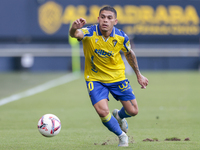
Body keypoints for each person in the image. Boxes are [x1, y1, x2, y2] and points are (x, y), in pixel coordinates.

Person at [69, 5, 148, 147]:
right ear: (98, 19)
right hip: (95, 79)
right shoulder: (90, 32)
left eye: (109, 18)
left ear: (115, 21)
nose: (105, 20)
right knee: (102, 110)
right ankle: (122, 136)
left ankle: (119, 116)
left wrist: (139, 75)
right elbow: (75, 34)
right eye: (103, 17)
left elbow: (129, 54)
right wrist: (74, 28)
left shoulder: (121, 37)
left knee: (133, 111)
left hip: (117, 78)